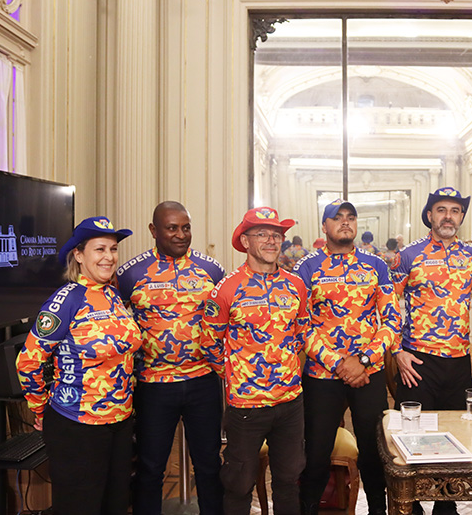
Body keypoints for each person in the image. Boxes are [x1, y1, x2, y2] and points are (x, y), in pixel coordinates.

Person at [16, 217, 141, 515]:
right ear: (79, 255)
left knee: (116, 504)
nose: (109, 257)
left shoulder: (112, 295)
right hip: (77, 425)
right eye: (99, 249)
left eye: (113, 249)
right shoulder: (67, 300)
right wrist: (39, 409)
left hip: (120, 422)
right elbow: (28, 360)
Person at [116, 201, 225, 515]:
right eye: (172, 228)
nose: (181, 235)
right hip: (153, 386)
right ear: (154, 230)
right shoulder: (129, 274)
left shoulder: (211, 270)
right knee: (151, 468)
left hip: (203, 382)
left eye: (186, 227)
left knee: (208, 464)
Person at [294, 199, 401, 515]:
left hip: (368, 374)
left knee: (374, 451)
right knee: (315, 453)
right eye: (336, 217)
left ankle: (378, 510)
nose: (345, 222)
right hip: (323, 375)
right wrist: (339, 363)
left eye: (350, 217)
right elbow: (301, 325)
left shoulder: (375, 265)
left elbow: (392, 320)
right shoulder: (307, 267)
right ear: (324, 227)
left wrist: (364, 360)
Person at [201, 206, 309, 515]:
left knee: (289, 481)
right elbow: (210, 344)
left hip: (290, 403)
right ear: (244, 241)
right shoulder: (226, 289)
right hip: (246, 407)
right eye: (262, 234)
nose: (271, 240)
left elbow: (301, 332)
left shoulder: (296, 285)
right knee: (239, 484)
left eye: (276, 234)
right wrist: (240, 375)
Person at [390, 186, 472, 515]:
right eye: (441, 209)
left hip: (458, 362)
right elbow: (386, 305)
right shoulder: (409, 256)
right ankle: (411, 506)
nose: (449, 216)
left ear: (461, 216)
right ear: (429, 215)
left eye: (455, 210)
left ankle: (446, 507)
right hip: (417, 361)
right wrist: (395, 351)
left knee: (457, 438)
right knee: (412, 438)